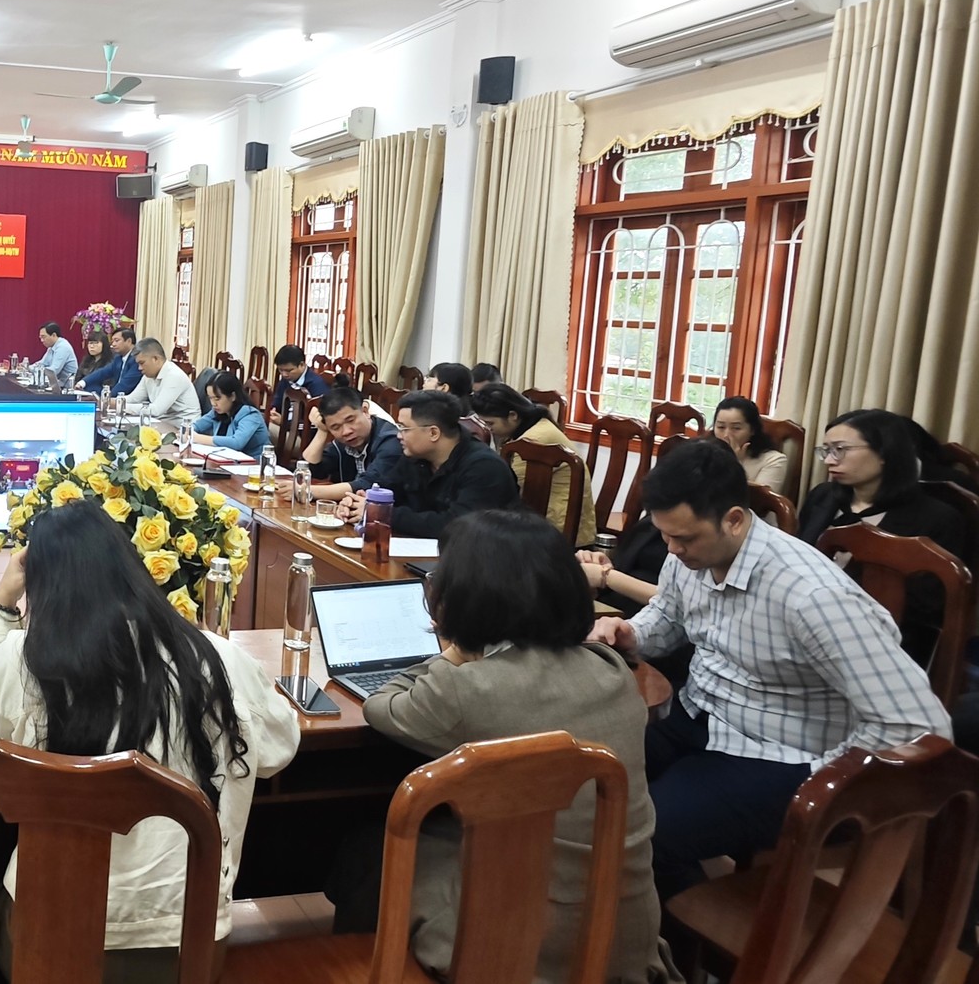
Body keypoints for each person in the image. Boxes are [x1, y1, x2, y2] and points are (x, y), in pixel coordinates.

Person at [587, 440, 949, 900]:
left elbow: (917, 724)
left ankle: (674, 925)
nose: (673, 550)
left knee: (641, 833)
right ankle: (643, 897)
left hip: (780, 754)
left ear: (734, 520)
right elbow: (671, 616)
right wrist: (632, 634)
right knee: (586, 780)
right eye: (665, 535)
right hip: (700, 717)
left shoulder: (812, 596)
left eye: (685, 538)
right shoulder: (690, 556)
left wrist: (827, 778)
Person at [0, 500, 300, 975]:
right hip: (189, 949)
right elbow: (280, 749)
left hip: (49, 943)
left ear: (43, 586)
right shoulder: (219, 659)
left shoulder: (25, 660)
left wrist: (4, 605)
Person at [353, 511, 676, 984]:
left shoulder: (466, 688)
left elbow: (382, 705)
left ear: (459, 597)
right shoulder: (611, 670)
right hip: (624, 940)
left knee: (365, 851)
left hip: (522, 952)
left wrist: (454, 650)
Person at [796, 408, 969, 664]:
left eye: (840, 449)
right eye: (826, 450)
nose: (829, 460)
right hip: (805, 623)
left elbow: (928, 609)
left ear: (885, 453)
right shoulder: (823, 496)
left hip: (884, 643)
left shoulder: (938, 519)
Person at [338, 390, 516, 536]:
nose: (399, 435)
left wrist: (382, 514)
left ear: (433, 433)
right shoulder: (415, 456)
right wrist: (359, 503)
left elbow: (457, 525)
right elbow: (386, 489)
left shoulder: (484, 468)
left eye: (404, 428)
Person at [470, 383, 596, 545]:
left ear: (513, 416)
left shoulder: (532, 441)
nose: (488, 429)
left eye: (490, 423)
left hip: (556, 528)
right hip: (544, 517)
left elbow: (506, 487)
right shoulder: (535, 425)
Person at [300, 386, 409, 502]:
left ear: (365, 411)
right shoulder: (342, 443)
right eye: (335, 427)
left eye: (351, 420)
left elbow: (368, 485)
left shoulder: (391, 440)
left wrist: (306, 490)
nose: (346, 431)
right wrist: (322, 431)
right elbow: (310, 472)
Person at [120, 337, 197, 434]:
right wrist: (113, 402)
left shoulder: (174, 376)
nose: (139, 368)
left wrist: (122, 407)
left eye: (142, 363)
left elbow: (156, 410)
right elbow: (133, 399)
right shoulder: (148, 375)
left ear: (155, 359)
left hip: (183, 428)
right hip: (162, 423)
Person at [713, 396, 788, 489]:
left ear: (752, 430)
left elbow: (759, 498)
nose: (726, 435)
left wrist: (735, 463)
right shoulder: (704, 452)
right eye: (721, 427)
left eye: (736, 428)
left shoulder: (773, 460)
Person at [191, 371, 269, 460]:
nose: (213, 403)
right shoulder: (217, 411)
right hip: (225, 461)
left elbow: (236, 443)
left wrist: (197, 438)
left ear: (232, 396)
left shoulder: (250, 415)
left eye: (217, 398)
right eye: (210, 398)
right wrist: (187, 431)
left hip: (254, 464)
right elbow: (196, 426)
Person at [424, 363, 492, 443]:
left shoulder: (472, 429)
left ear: (444, 388)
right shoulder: (431, 413)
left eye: (429, 379)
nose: (424, 383)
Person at [80, 325, 143, 396]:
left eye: (117, 341)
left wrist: (106, 398)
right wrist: (82, 383)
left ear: (129, 341)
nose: (113, 344)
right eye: (112, 341)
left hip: (129, 397)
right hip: (115, 394)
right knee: (89, 387)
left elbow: (125, 385)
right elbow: (102, 372)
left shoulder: (137, 359)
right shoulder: (118, 358)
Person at [273, 345, 332, 413]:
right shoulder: (286, 380)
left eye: (288, 370)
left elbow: (320, 415)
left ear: (302, 365)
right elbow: (277, 403)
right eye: (280, 370)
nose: (284, 374)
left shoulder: (316, 384)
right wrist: (274, 412)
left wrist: (283, 419)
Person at [34, 322, 77, 387]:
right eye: (40, 338)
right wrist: (27, 367)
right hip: (56, 384)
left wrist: (38, 370)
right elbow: (42, 363)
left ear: (54, 335)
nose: (42, 340)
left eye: (44, 337)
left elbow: (53, 371)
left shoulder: (63, 347)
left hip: (66, 387)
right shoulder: (51, 347)